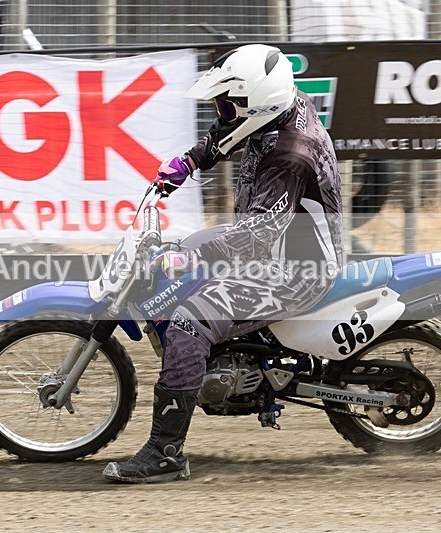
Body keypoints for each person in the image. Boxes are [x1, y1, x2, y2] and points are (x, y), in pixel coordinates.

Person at [103, 44, 343, 483]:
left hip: (294, 270)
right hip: (279, 246)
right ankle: (209, 361)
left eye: (226, 103)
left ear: (256, 102)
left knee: (188, 321)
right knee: (183, 251)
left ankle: (166, 453)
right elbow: (231, 132)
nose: (221, 111)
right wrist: (192, 160)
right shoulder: (281, 106)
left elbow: (257, 237)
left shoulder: (290, 153)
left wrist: (191, 257)